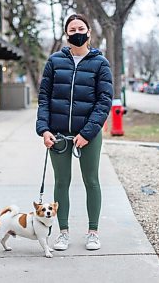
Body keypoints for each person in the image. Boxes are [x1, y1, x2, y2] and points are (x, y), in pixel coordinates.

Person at [36, 14, 113, 251]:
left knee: (91, 180)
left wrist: (87, 133)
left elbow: (104, 101)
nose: (77, 32)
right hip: (58, 135)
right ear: (66, 34)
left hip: (88, 135)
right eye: (72, 29)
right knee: (61, 182)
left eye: (81, 28)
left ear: (89, 32)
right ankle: (63, 233)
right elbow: (44, 99)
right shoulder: (54, 61)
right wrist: (44, 129)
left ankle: (93, 233)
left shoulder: (101, 63)